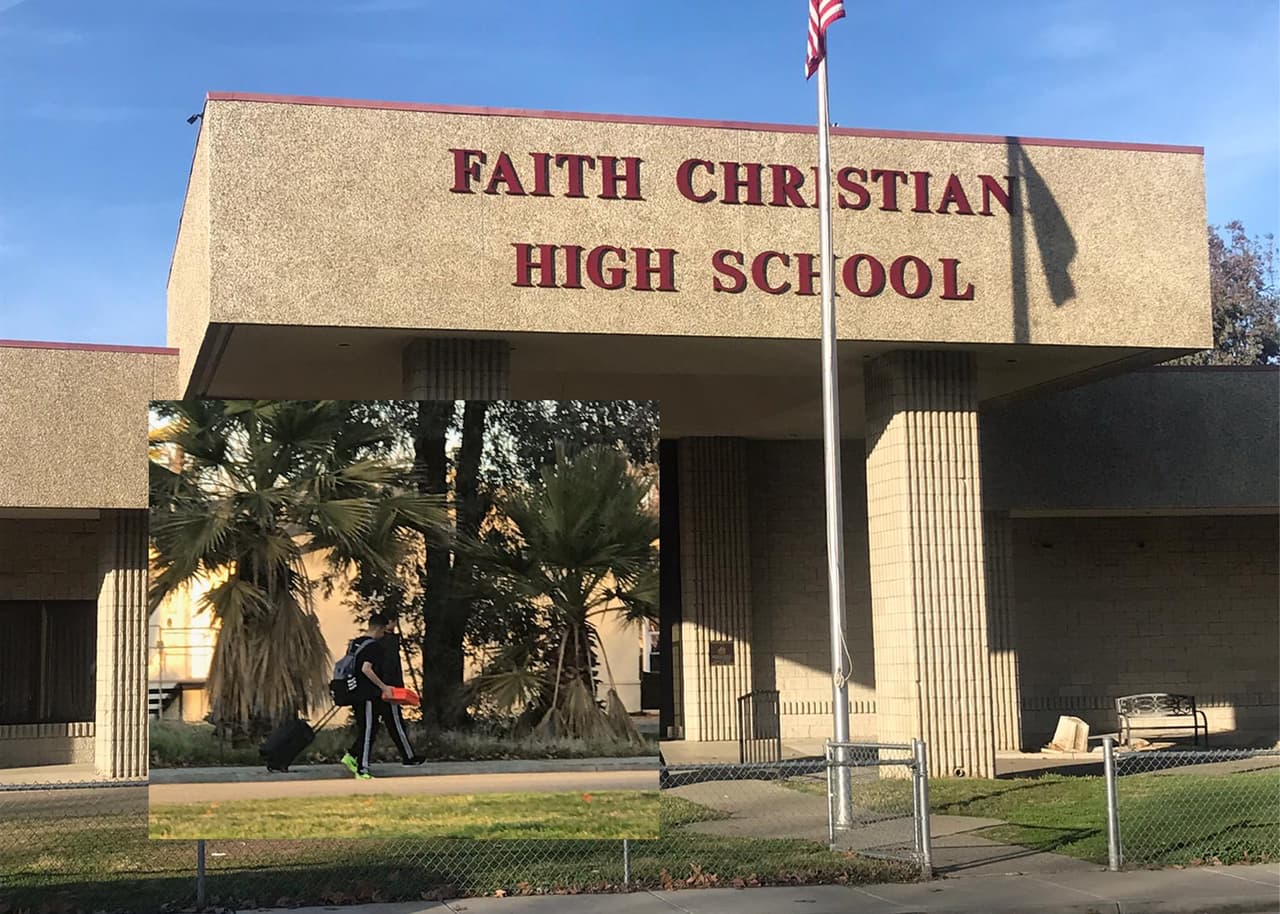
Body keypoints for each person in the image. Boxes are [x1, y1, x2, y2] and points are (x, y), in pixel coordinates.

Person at [340, 613, 424, 778]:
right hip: (368, 694)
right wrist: (383, 686)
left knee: (368, 728)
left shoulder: (354, 644)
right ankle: (362, 768)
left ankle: (352, 756)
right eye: (383, 632)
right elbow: (366, 669)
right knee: (368, 729)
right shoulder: (374, 646)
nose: (383, 635)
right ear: (379, 628)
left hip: (354, 692)